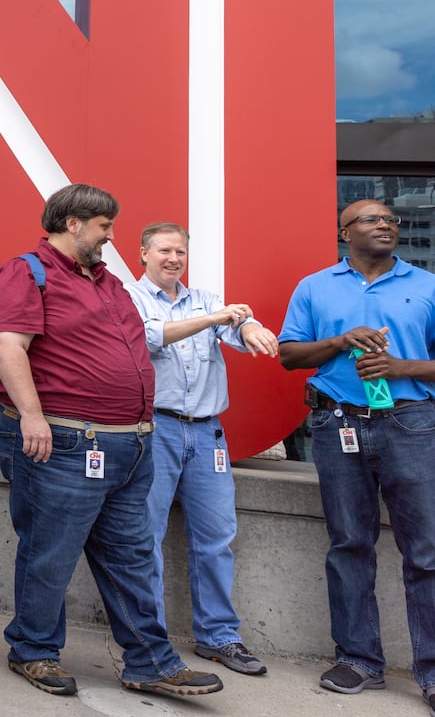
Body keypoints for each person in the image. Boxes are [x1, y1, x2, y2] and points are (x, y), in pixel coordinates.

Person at [0, 184, 222, 699]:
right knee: (50, 552)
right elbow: (7, 344)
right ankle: (33, 650)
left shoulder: (107, 281)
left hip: (131, 445)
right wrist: (32, 418)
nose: (111, 237)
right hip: (66, 442)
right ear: (73, 223)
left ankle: (149, 662)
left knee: (132, 556)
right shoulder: (26, 271)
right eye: (104, 227)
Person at [278, 199, 435, 706]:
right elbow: (288, 355)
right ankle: (358, 660)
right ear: (345, 232)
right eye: (371, 219)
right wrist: (342, 341)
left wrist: (401, 368)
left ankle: (431, 671)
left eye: (390, 219)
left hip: (411, 423)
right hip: (336, 422)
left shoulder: (426, 286)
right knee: (349, 544)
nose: (386, 224)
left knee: (427, 551)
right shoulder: (315, 286)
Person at [125, 222, 279, 677]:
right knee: (144, 538)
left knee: (216, 538)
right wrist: (220, 318)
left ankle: (219, 637)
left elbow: (237, 324)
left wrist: (249, 326)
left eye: (180, 252)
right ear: (143, 255)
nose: (174, 259)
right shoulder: (129, 298)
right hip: (156, 431)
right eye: (165, 251)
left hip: (209, 433)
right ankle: (148, 641)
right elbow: (150, 336)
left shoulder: (208, 299)